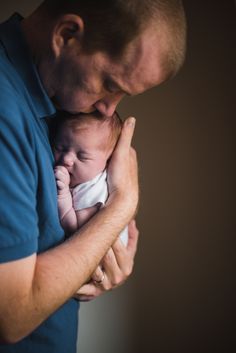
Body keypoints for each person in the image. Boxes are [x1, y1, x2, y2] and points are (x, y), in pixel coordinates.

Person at [0, 1, 186, 352]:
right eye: (109, 83)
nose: (107, 108)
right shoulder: (5, 110)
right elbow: (11, 313)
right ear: (67, 35)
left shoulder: (52, 103)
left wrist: (101, 253)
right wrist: (122, 203)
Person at [52, 111, 128, 246]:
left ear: (108, 161)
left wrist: (63, 196)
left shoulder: (95, 191)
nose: (66, 159)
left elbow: (74, 229)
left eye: (82, 157)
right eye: (61, 148)